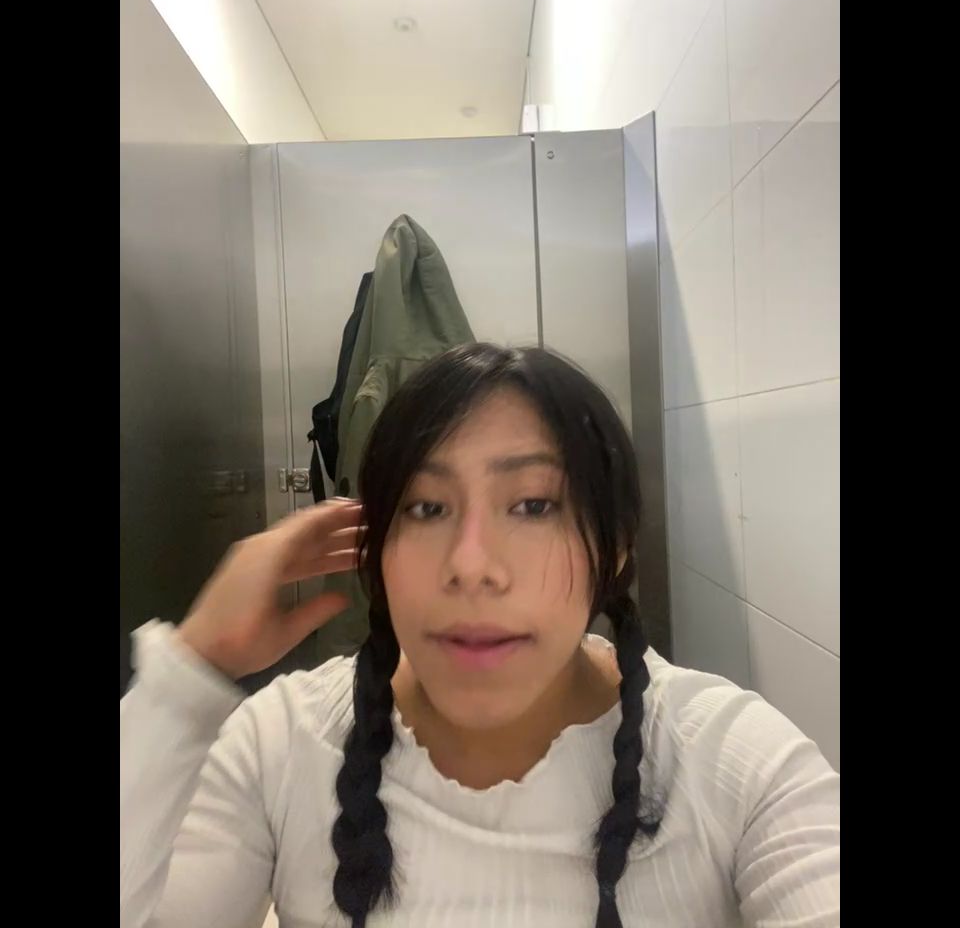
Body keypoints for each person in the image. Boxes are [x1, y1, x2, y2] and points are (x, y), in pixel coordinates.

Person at [120, 343, 840, 928]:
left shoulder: (734, 761)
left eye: (533, 505)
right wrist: (191, 672)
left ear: (616, 545)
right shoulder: (280, 743)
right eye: (426, 508)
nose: (470, 566)